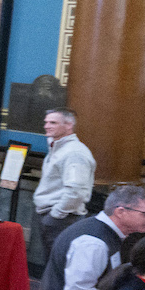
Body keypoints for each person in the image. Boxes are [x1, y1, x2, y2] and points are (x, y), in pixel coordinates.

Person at [36, 107, 96, 254]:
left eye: (53, 123)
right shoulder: (56, 147)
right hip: (53, 216)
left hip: (63, 220)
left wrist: (55, 215)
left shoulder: (74, 153)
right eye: (46, 122)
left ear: (69, 125)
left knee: (60, 267)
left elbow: (76, 192)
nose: (47, 126)